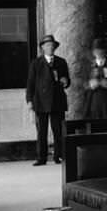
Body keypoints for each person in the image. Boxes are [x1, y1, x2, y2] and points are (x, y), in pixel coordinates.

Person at [25, 34, 71, 166]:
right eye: (47, 45)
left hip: (57, 101)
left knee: (58, 130)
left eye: (52, 45)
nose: (50, 48)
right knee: (42, 132)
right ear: (42, 48)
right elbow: (30, 84)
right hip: (40, 101)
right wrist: (29, 101)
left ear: (55, 48)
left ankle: (59, 156)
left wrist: (65, 81)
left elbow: (68, 81)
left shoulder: (61, 62)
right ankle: (41, 158)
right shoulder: (36, 63)